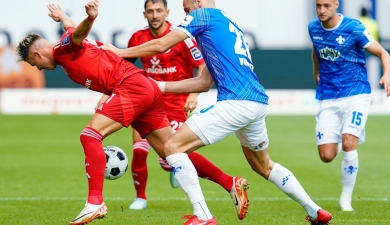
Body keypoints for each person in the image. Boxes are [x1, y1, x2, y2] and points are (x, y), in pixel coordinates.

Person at [101, 0, 333, 224]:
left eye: (187, 9)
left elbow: (162, 44)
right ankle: (316, 212)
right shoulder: (227, 25)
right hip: (256, 104)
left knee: (172, 147)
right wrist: (158, 87)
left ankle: (202, 216)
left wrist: (118, 52)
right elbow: (203, 83)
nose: (186, 16)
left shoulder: (202, 16)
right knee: (263, 166)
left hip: (235, 102)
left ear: (199, 3)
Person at [16, 1, 249, 224]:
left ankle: (95, 201)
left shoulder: (62, 49)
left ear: (37, 55)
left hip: (131, 88)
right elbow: (72, 29)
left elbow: (77, 33)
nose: (39, 68)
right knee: (171, 150)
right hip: (145, 87)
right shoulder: (66, 45)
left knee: (90, 135)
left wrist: (90, 18)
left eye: (35, 64)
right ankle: (230, 183)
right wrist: (64, 17)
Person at [117, 0, 249, 213]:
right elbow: (125, 68)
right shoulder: (137, 38)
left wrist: (193, 95)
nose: (154, 15)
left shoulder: (181, 36)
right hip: (147, 102)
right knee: (139, 150)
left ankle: (213, 184)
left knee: (171, 155)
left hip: (175, 103)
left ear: (167, 13)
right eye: (150, 11)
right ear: (144, 14)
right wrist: (111, 93)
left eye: (159, 10)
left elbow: (202, 67)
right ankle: (140, 198)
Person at [309, 0, 390, 212]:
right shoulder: (313, 28)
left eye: (326, 5)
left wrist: (387, 75)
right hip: (328, 97)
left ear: (337, 4)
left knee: (348, 144)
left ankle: (345, 199)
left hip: (356, 94)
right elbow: (316, 50)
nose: (321, 10)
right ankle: (340, 134)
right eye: (318, 5)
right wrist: (316, 72)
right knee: (326, 156)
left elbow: (383, 53)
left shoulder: (353, 27)